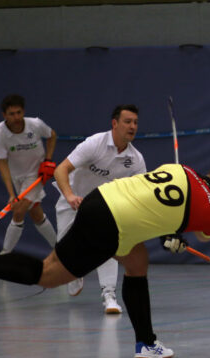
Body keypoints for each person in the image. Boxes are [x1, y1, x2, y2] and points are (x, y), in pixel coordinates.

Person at [0, 163, 210, 358]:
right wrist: (176, 238)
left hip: (101, 198)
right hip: (112, 224)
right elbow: (204, 236)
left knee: (137, 262)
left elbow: (154, 203)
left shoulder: (179, 168)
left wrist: (171, 231)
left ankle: (146, 344)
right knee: (48, 274)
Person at [53, 104, 147, 314]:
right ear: (114, 124)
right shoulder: (95, 144)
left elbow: (142, 193)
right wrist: (69, 195)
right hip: (73, 201)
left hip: (104, 208)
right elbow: (61, 169)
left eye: (135, 122)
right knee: (66, 251)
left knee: (110, 244)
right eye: (127, 121)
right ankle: (74, 272)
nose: (132, 126)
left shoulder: (136, 159)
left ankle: (109, 295)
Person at [0, 94, 58, 254]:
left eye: (19, 112)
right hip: (17, 177)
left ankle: (4, 255)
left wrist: (48, 160)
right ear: (4, 115)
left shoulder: (35, 124)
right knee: (36, 214)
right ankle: (60, 249)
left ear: (23, 111)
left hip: (36, 175)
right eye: (11, 114)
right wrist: (10, 194)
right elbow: (2, 163)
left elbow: (52, 135)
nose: (16, 117)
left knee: (19, 211)